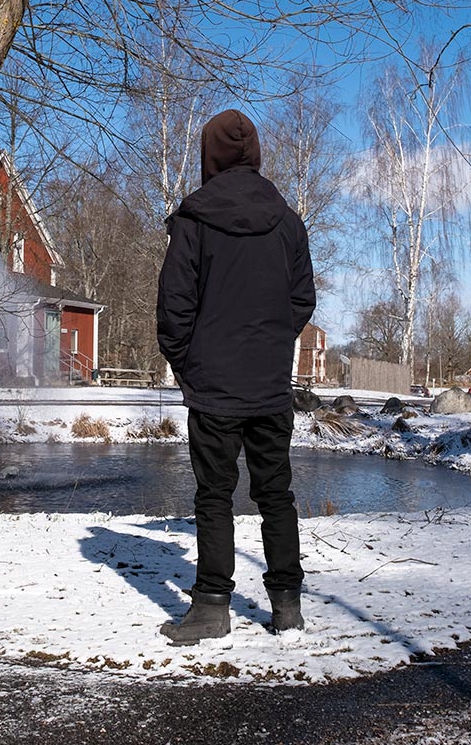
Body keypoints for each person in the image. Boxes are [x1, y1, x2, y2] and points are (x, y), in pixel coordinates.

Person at [156, 109, 316, 645]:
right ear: (255, 156)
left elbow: (173, 310)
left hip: (216, 388)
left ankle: (210, 610)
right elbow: (301, 301)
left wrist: (190, 365)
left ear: (210, 157)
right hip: (269, 385)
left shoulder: (195, 221)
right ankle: (287, 608)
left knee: (214, 497)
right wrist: (270, 346)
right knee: (276, 495)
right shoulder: (288, 221)